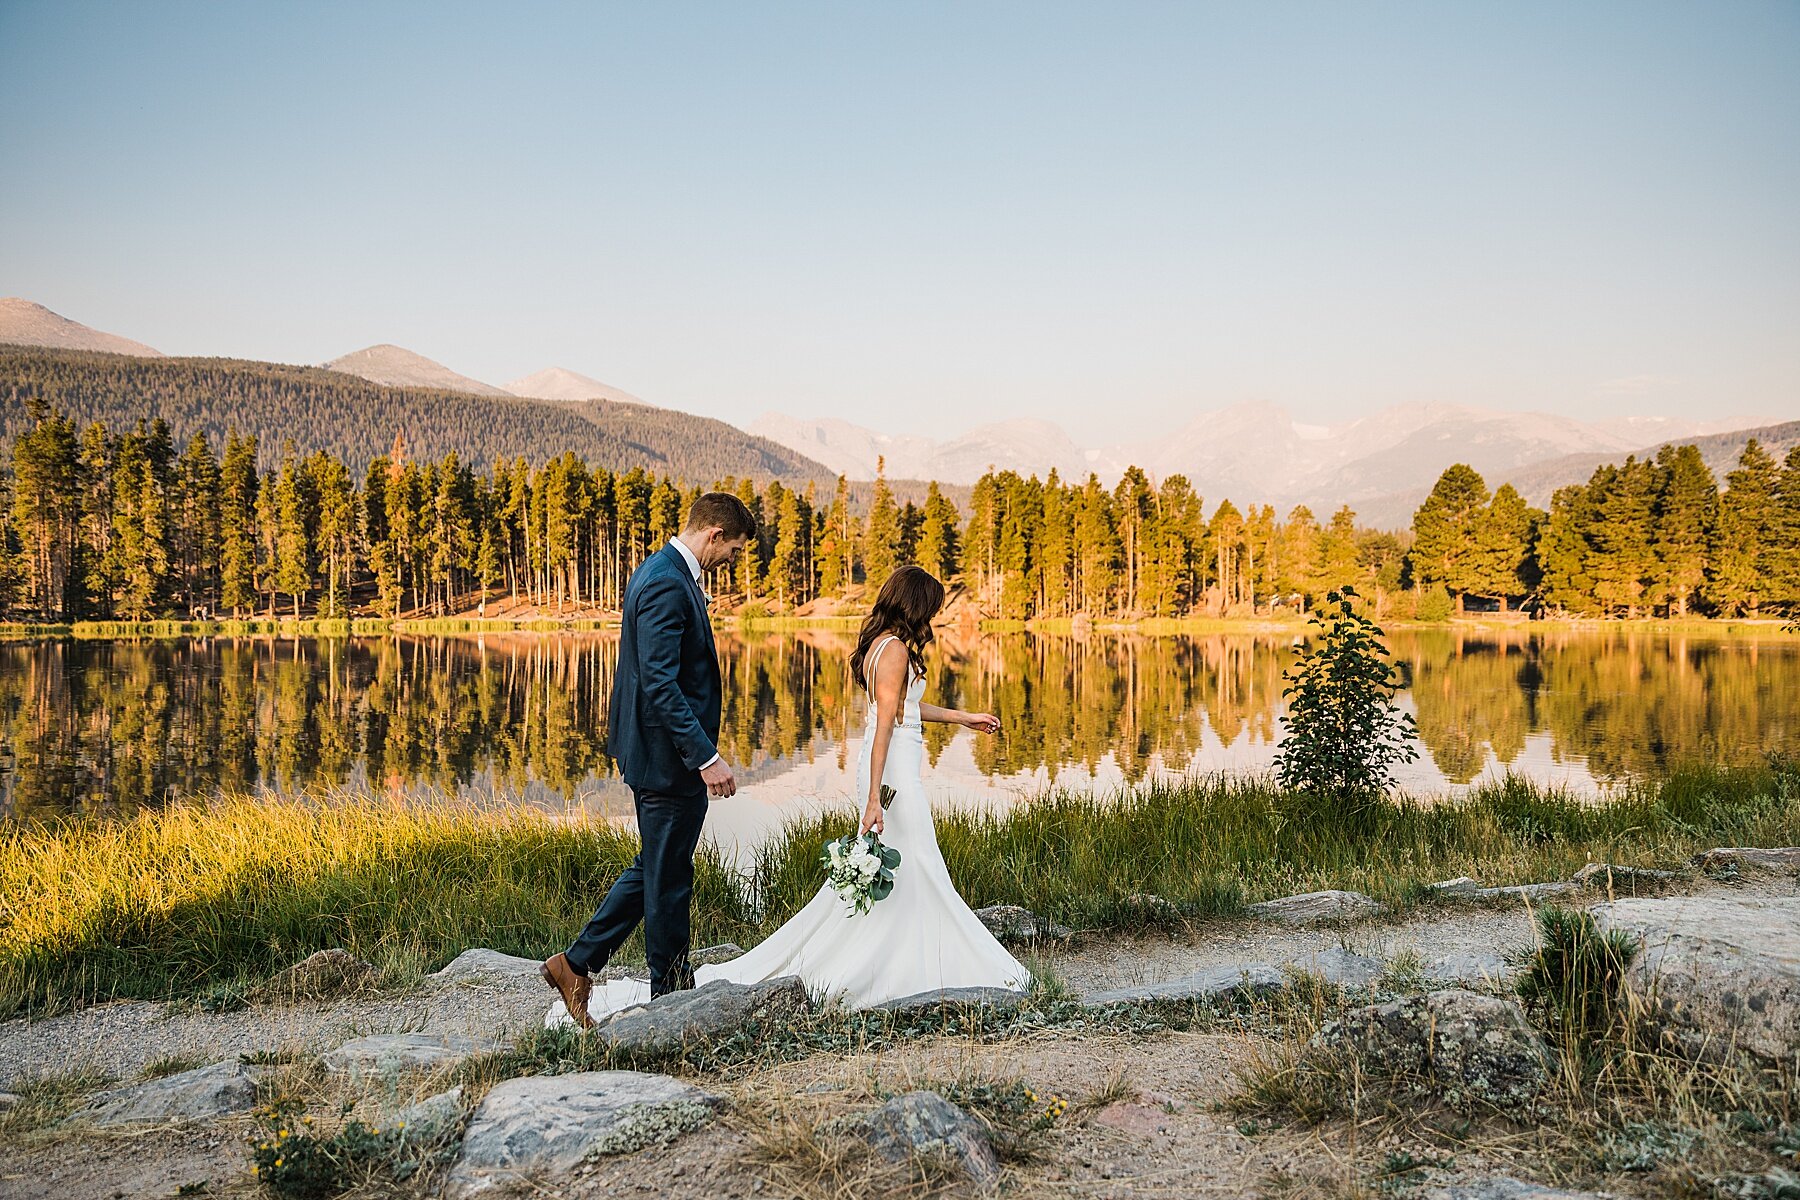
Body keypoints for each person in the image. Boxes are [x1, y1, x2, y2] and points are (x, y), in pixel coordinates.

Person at [548, 564, 1030, 1026]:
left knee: (911, 862)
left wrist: (964, 718)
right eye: (932, 608)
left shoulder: (879, 647)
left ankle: (908, 952)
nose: (934, 618)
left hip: (885, 769)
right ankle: (910, 962)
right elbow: (886, 724)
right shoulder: (898, 652)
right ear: (917, 605)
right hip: (892, 774)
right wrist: (874, 799)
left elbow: (903, 707)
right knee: (917, 859)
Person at [541, 492, 755, 1028]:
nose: (732, 561)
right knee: (669, 878)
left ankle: (577, 964)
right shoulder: (665, 581)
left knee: (658, 866)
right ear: (713, 535)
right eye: (732, 549)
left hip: (661, 755)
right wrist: (706, 757)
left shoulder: (663, 572)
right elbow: (659, 684)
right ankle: (670, 999)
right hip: (668, 759)